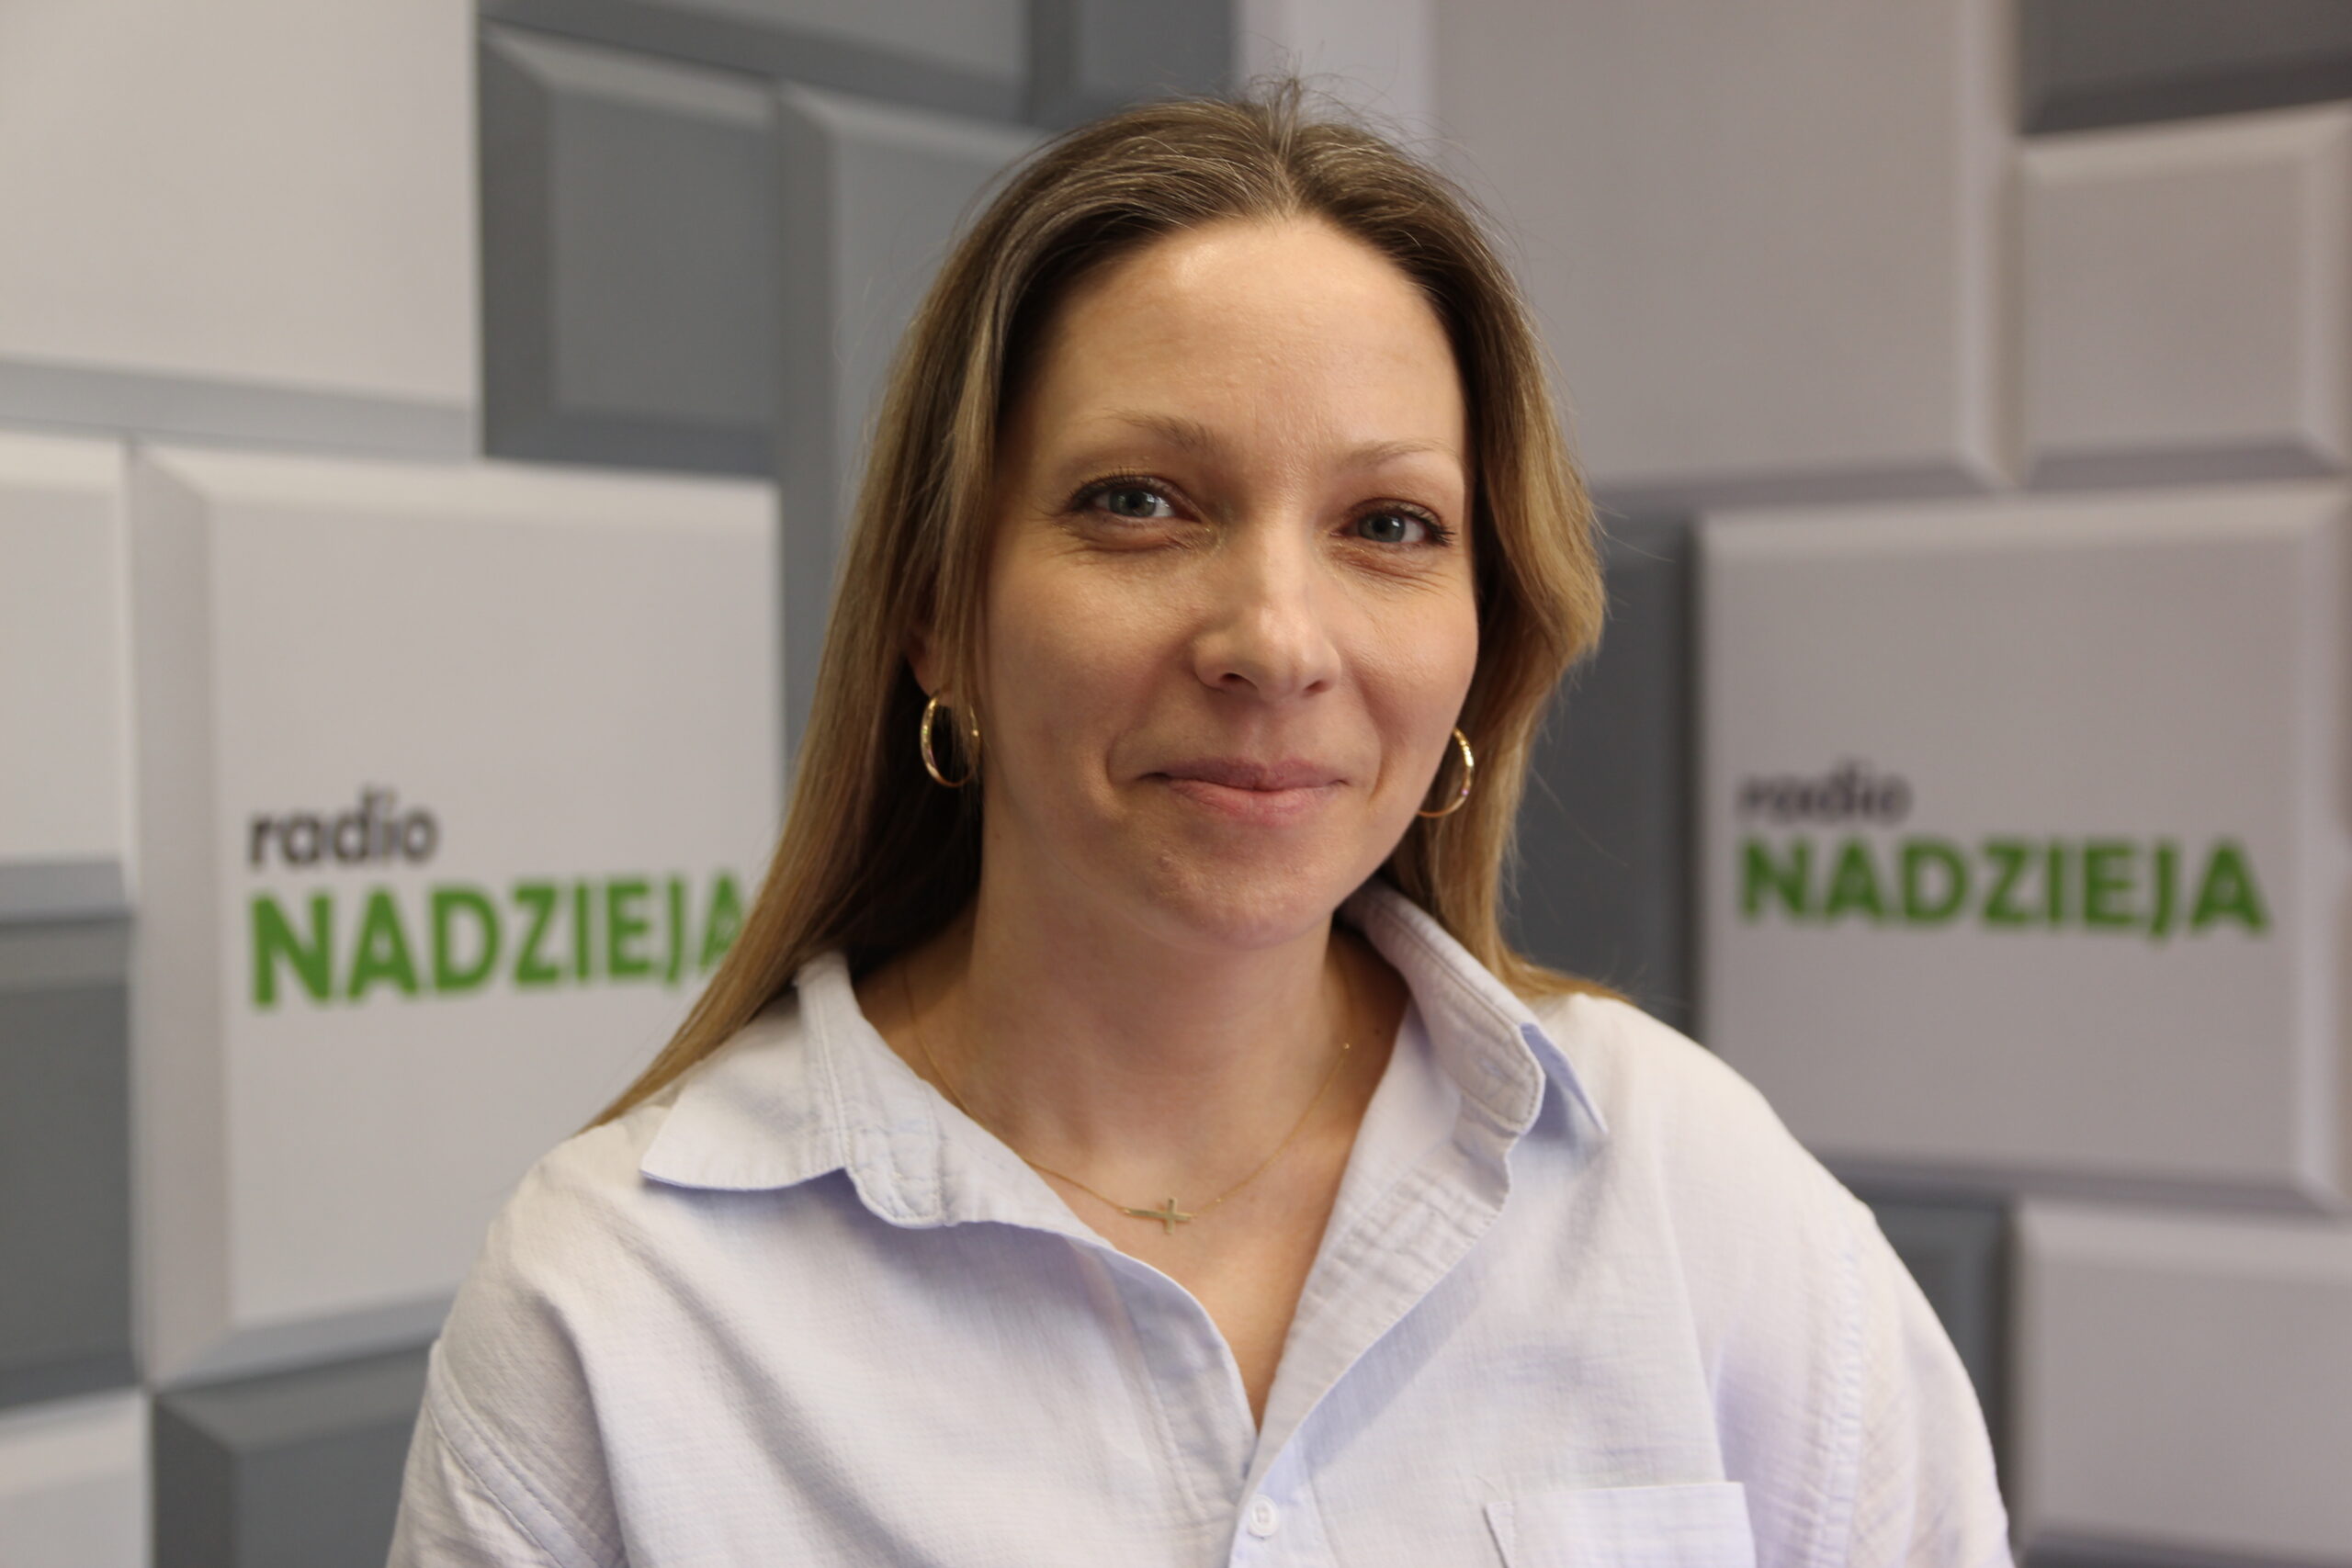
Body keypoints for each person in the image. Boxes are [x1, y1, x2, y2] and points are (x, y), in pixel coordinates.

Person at [387, 84, 2010, 1566]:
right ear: (938, 611)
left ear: (1486, 635)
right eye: (1140, 503)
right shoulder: (616, 1312)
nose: (1276, 643)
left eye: (1390, 524)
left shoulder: (1695, 1194)